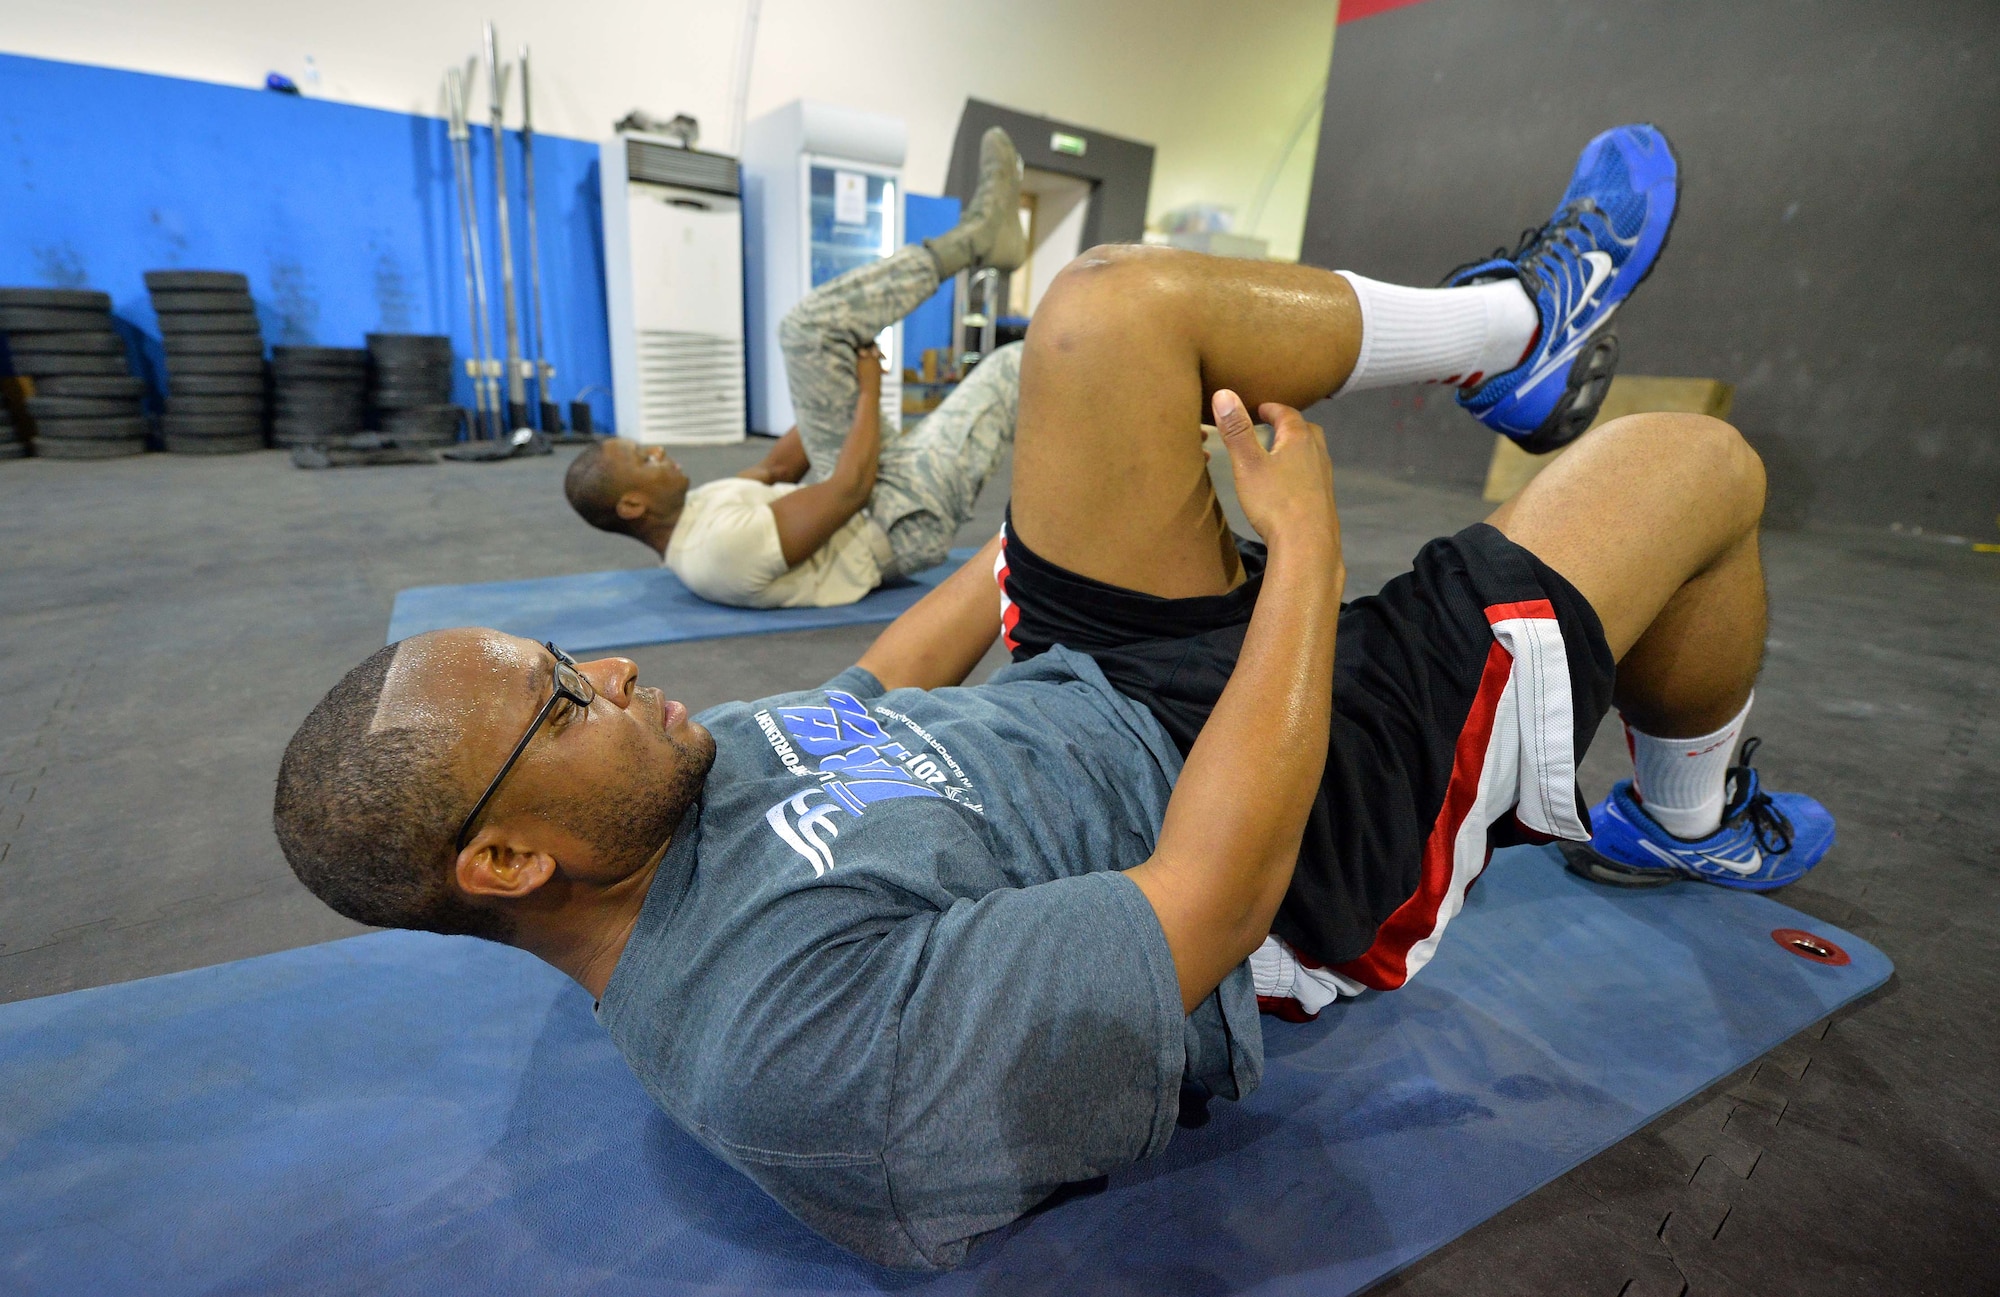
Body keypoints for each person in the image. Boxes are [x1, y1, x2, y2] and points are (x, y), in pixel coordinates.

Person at [274, 125, 1833, 1269]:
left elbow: (878, 681)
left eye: (568, 661)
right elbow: (1207, 902)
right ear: (501, 863)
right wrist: (1301, 553)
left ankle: (1516, 330)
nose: (615, 672)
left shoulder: (669, 788)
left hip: (1106, 673)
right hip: (1279, 830)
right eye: (562, 704)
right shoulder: (781, 1040)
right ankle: (1691, 822)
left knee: (1100, 314)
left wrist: (1056, 520)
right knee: (1690, 469)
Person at [562, 128, 1030, 609]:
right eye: (645, 458)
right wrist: (866, 391)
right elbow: (848, 491)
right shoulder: (715, 552)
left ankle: (978, 235)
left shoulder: (699, 511)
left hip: (871, 492)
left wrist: (832, 378)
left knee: (808, 333)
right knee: (1017, 364)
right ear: (633, 506)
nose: (658, 450)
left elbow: (778, 465)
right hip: (897, 518)